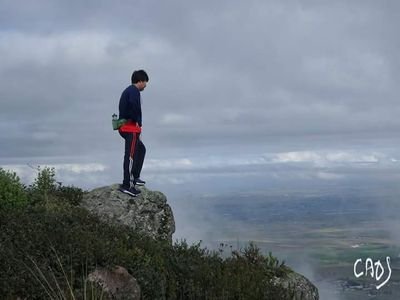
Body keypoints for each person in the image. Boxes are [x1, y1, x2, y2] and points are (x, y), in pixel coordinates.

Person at [118, 70, 149, 197]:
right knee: (131, 155)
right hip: (129, 128)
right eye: (145, 82)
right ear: (140, 81)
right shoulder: (133, 91)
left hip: (130, 128)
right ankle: (127, 185)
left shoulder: (129, 91)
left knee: (141, 149)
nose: (146, 85)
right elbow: (133, 106)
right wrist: (136, 121)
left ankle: (135, 176)